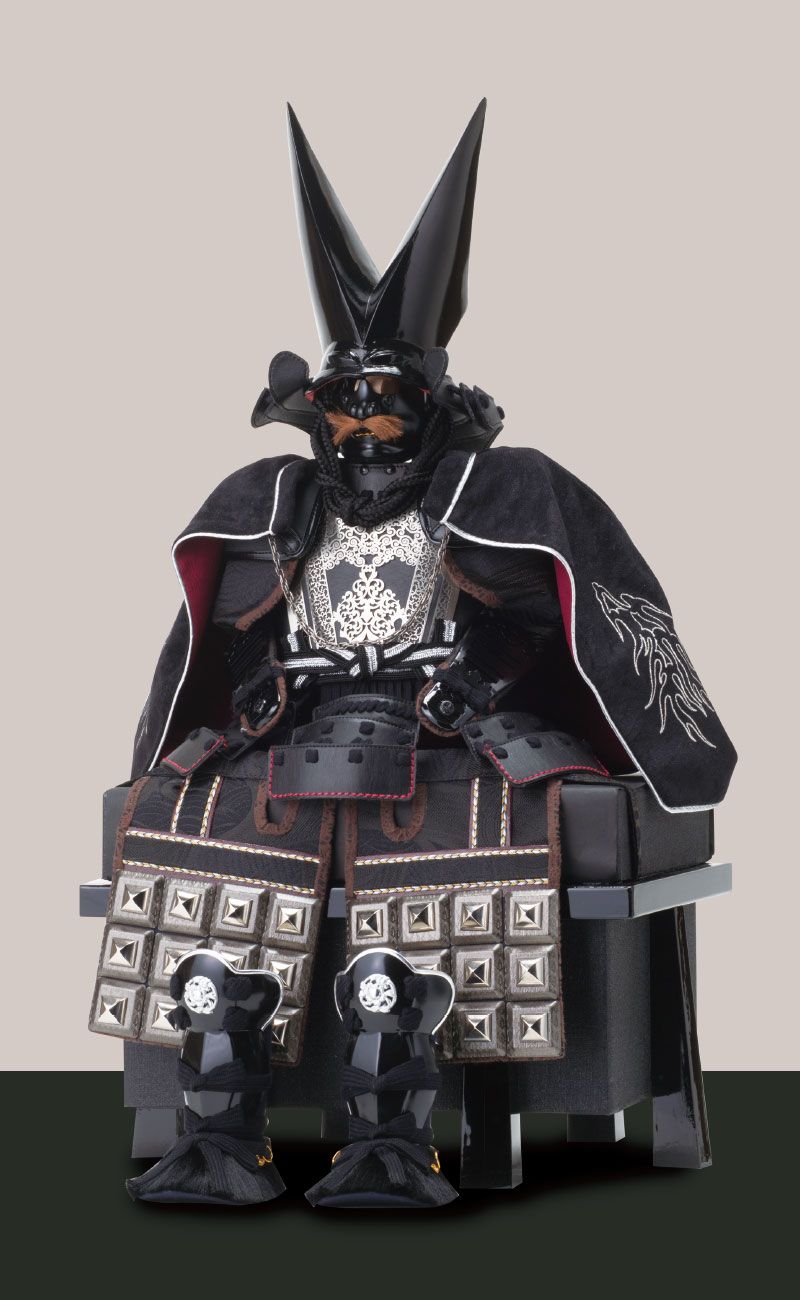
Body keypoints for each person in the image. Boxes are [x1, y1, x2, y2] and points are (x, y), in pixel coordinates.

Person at [91, 100, 736, 1209]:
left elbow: (559, 617)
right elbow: (221, 642)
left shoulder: (502, 497)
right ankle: (217, 1133)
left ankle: (395, 1142)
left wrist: (480, 664)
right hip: (293, 745)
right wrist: (240, 709)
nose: (362, 426)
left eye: (385, 402)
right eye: (343, 403)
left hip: (453, 742)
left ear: (436, 406)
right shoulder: (273, 505)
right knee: (190, 828)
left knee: (458, 863)